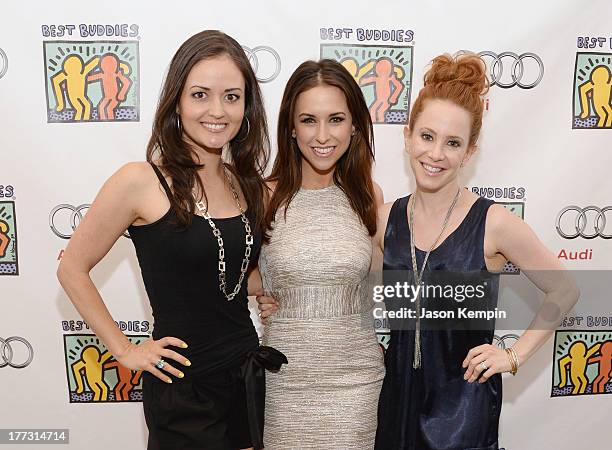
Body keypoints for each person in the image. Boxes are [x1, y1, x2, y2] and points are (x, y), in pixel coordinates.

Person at [57, 30, 286, 450]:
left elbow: (224, 277)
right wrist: (124, 351)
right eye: (201, 94)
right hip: (183, 386)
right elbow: (71, 268)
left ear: (247, 106)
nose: (217, 110)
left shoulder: (246, 185)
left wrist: (267, 287)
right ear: (177, 101)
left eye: (232, 96)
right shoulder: (140, 181)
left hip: (245, 374)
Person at [372, 53, 578, 449]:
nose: (435, 154)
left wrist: (513, 356)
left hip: (462, 413)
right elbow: (356, 291)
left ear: (469, 152)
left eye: (453, 143)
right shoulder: (385, 220)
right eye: (427, 136)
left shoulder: (493, 223)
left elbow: (565, 289)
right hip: (395, 403)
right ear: (408, 134)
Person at [254, 59, 385, 449]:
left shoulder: (368, 197)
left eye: (336, 119)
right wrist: (274, 292)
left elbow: (371, 285)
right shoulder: (264, 195)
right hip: (286, 379)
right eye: (309, 120)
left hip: (355, 380)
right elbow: (228, 269)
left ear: (355, 125)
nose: (322, 135)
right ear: (291, 128)